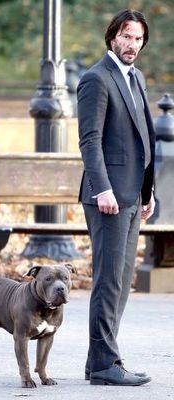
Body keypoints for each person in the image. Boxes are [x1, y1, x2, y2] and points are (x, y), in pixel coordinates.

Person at [77, 9, 155, 386]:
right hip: (107, 197)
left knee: (122, 282)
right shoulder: (96, 79)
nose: (132, 45)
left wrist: (147, 189)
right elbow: (90, 141)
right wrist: (103, 188)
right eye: (126, 37)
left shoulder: (135, 77)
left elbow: (142, 137)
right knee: (108, 281)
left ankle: (98, 363)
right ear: (112, 37)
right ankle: (107, 364)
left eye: (138, 39)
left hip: (132, 196)